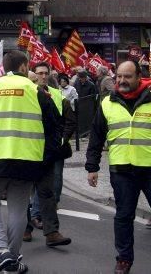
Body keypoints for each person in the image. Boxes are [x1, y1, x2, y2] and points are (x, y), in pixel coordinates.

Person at [0, 51, 60, 274]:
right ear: (24, 67)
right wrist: (45, 156)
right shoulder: (36, 91)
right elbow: (54, 125)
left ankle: (2, 253)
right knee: (19, 209)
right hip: (26, 160)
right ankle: (11, 260)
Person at [87, 60, 151, 274]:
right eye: (119, 77)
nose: (122, 81)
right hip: (122, 171)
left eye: (127, 76)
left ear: (138, 77)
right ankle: (124, 259)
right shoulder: (107, 102)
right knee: (124, 216)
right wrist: (92, 166)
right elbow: (96, 136)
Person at [23, 62, 73, 247]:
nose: (40, 79)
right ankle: (25, 229)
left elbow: (58, 123)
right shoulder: (23, 98)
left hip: (46, 152)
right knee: (23, 194)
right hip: (26, 152)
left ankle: (51, 232)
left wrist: (56, 145)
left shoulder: (54, 96)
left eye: (44, 74)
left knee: (47, 193)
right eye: (36, 77)